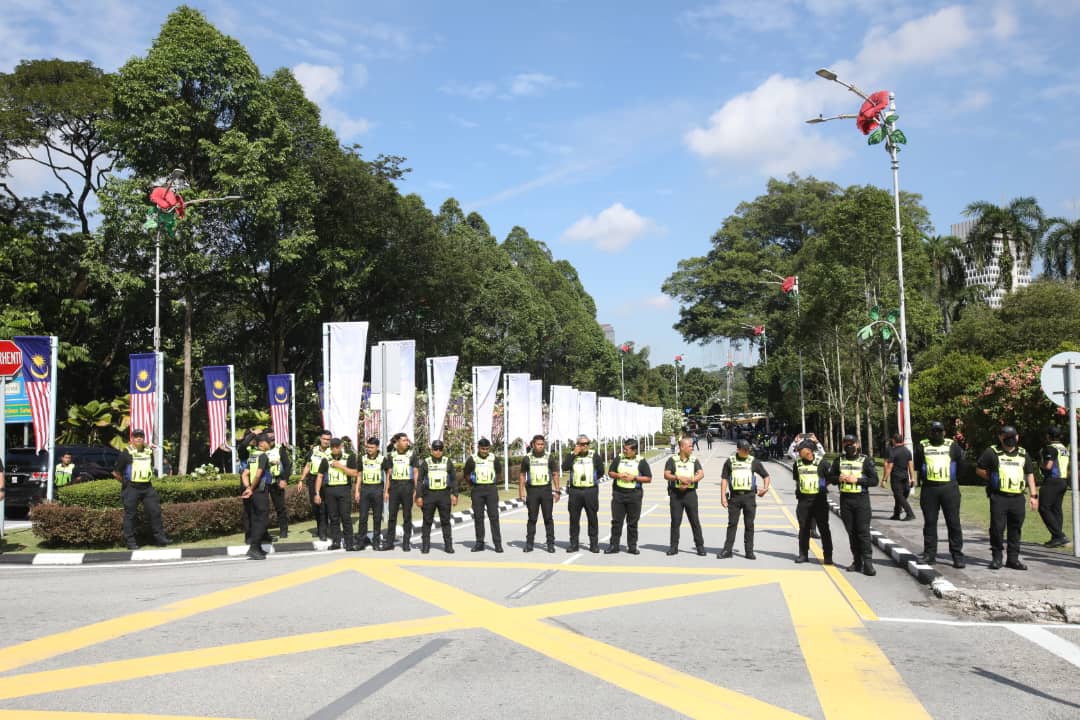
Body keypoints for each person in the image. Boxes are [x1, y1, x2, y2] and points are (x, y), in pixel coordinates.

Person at [976, 426, 1038, 570]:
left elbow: (1030, 475)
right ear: (1000, 437)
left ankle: (1013, 559)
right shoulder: (992, 452)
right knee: (997, 529)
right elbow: (979, 469)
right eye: (1006, 436)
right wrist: (991, 478)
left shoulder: (1023, 454)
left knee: (1015, 529)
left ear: (1017, 437)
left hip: (1017, 497)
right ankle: (997, 558)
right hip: (999, 497)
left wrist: (1034, 495)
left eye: (1013, 436)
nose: (1010, 439)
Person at [914, 420, 966, 568]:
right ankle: (929, 555)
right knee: (930, 523)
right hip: (929, 488)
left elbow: (962, 463)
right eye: (933, 431)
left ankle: (957, 556)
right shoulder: (922, 445)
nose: (936, 434)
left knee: (953, 523)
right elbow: (918, 464)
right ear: (930, 432)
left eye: (939, 431)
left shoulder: (952, 445)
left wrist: (955, 480)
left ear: (944, 432)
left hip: (949, 488)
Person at [829, 434, 878, 576]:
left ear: (857, 444)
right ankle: (857, 562)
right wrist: (838, 478)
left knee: (863, 532)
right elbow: (831, 478)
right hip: (845, 500)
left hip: (861, 500)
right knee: (851, 532)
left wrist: (857, 480)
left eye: (851, 443)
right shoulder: (839, 460)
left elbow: (874, 480)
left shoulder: (865, 460)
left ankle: (868, 564)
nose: (849, 446)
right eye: (846, 443)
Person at [113, 429, 169, 550]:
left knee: (155, 512)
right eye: (136, 436)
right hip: (132, 488)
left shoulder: (148, 452)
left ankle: (160, 539)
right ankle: (130, 542)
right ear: (132, 439)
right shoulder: (126, 453)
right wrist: (125, 482)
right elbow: (116, 472)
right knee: (130, 515)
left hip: (147, 487)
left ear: (144, 439)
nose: (139, 438)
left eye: (141, 437)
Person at [718, 439, 770, 560]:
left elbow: (766, 476)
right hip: (734, 497)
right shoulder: (730, 461)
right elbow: (724, 479)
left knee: (749, 525)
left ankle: (749, 551)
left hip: (749, 497)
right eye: (745, 450)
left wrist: (765, 488)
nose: (747, 452)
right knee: (732, 524)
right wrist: (722, 497)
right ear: (738, 450)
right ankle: (727, 550)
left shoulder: (753, 461)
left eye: (748, 450)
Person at [605, 438, 651, 554]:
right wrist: (618, 475)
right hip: (618, 494)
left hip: (634, 495)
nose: (624, 451)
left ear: (634, 450)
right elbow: (610, 472)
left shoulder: (641, 461)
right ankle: (614, 545)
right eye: (624, 449)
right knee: (616, 522)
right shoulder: (619, 458)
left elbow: (648, 478)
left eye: (627, 449)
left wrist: (634, 478)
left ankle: (632, 546)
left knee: (632, 522)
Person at [518, 434, 561, 553]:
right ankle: (529, 544)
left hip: (546, 490)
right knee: (532, 518)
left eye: (542, 444)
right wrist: (521, 492)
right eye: (538, 444)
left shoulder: (549, 457)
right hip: (532, 491)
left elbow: (555, 474)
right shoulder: (527, 458)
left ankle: (550, 544)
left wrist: (557, 491)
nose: (540, 446)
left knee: (548, 518)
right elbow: (522, 475)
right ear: (533, 444)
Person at [562, 434, 604, 553]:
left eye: (587, 443)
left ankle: (594, 544)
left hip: (590, 490)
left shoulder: (594, 455)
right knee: (574, 519)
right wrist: (573, 454)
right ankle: (574, 544)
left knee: (592, 518)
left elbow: (601, 471)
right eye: (582, 444)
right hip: (575, 491)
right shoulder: (572, 455)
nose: (584, 446)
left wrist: (592, 480)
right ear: (577, 445)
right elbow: (564, 467)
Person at [664, 437, 706, 556]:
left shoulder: (694, 460)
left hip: (690, 494)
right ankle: (673, 547)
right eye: (690, 446)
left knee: (694, 521)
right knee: (675, 522)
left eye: (692, 446)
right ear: (682, 447)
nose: (692, 448)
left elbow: (701, 473)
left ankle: (700, 546)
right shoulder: (672, 460)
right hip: (676, 494)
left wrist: (690, 481)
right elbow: (666, 474)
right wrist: (678, 478)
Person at [793, 440, 833, 564]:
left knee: (823, 528)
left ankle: (828, 556)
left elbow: (830, 478)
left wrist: (822, 486)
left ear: (809, 451)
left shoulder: (822, 463)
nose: (799, 452)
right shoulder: (797, 463)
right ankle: (803, 554)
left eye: (801, 450)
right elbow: (797, 479)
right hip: (804, 501)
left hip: (819, 500)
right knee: (803, 528)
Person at [464, 438, 504, 552]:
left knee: (494, 517)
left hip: (491, 489)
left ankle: (497, 544)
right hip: (477, 490)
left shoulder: (493, 458)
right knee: (478, 517)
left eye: (487, 449)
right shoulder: (473, 459)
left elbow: (499, 472)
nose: (485, 451)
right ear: (478, 448)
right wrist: (472, 484)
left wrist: (494, 482)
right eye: (482, 449)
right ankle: (479, 543)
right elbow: (466, 473)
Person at [417, 439, 457, 554]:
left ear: (442, 450)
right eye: (435, 449)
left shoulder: (447, 461)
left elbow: (454, 479)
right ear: (431, 450)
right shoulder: (426, 462)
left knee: (445, 521)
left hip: (444, 494)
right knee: (427, 521)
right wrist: (419, 496)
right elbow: (419, 480)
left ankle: (448, 545)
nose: (438, 451)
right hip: (429, 494)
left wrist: (455, 494)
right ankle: (425, 545)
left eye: (440, 449)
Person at [380, 433, 418, 551]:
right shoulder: (391, 456)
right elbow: (388, 474)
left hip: (407, 486)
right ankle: (389, 543)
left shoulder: (412, 455)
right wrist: (386, 491)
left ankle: (406, 543)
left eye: (407, 440)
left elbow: (416, 473)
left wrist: (416, 491)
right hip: (395, 487)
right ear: (397, 442)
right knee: (392, 516)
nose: (407, 442)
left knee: (407, 516)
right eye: (404, 440)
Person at [240, 434, 273, 560]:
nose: (270, 444)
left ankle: (257, 547)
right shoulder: (263, 456)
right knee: (261, 520)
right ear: (262, 443)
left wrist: (247, 487)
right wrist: (252, 488)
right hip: (260, 491)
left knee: (255, 519)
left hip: (253, 493)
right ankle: (253, 548)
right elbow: (258, 475)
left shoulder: (253, 456)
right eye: (268, 442)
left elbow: (245, 474)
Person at [1038, 426, 1071, 548]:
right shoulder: (1064, 448)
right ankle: (1056, 537)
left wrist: (1040, 463)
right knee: (1056, 509)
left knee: (1044, 508)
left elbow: (1048, 466)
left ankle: (1059, 535)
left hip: (1052, 480)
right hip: (1062, 480)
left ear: (1048, 436)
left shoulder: (1050, 448)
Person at [297, 430, 332, 541]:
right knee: (316, 506)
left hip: (326, 480)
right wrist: (301, 480)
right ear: (320, 439)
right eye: (324, 439)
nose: (326, 441)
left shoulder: (333, 451)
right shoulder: (313, 450)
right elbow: (307, 465)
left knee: (325, 506)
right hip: (313, 479)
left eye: (328, 439)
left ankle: (324, 530)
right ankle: (320, 529)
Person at [353, 436, 385, 550]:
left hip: (377, 489)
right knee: (363, 517)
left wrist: (386, 491)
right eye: (368, 447)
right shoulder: (362, 458)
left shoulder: (382, 459)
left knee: (377, 517)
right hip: (365, 489)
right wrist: (357, 491)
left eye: (372, 447)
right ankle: (361, 542)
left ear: (377, 447)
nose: (369, 449)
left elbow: (389, 475)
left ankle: (376, 542)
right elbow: (359, 475)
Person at [264, 431, 292, 539]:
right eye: (270, 438)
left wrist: (284, 479)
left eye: (273, 437)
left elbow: (287, 465)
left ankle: (283, 531)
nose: (272, 440)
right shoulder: (260, 449)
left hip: (277, 481)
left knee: (280, 508)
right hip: (264, 482)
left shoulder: (279, 448)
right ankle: (264, 532)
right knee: (263, 509)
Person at [883, 434, 916, 521]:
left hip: (896, 477)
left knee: (899, 496)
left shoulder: (893, 452)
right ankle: (896, 514)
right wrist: (912, 478)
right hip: (905, 477)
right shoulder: (907, 451)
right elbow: (911, 466)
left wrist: (884, 479)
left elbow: (889, 466)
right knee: (900, 496)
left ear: (894, 440)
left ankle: (910, 514)